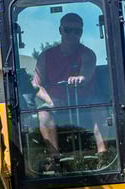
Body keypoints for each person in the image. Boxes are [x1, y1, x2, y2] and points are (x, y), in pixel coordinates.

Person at [31, 13, 106, 161]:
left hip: (85, 104)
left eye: (77, 31)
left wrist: (81, 78)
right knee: (44, 113)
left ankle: (103, 154)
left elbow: (87, 71)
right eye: (68, 29)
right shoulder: (45, 56)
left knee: (99, 107)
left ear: (81, 32)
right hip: (58, 105)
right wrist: (51, 101)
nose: (73, 34)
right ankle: (55, 159)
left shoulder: (88, 54)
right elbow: (36, 85)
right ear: (60, 30)